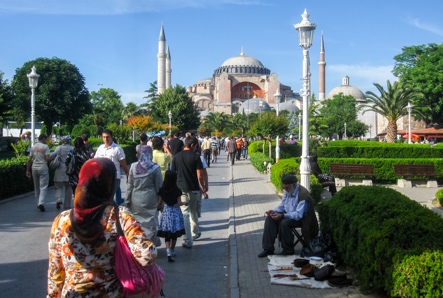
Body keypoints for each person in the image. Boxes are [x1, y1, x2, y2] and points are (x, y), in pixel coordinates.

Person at [47, 158, 157, 297]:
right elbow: (147, 256)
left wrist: (53, 295)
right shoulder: (119, 216)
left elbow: (55, 271)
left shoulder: (61, 221)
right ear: (108, 184)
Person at [258, 174, 319, 257]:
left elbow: (298, 215)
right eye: (284, 188)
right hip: (289, 214)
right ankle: (268, 249)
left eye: (287, 188)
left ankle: (288, 249)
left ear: (294, 185)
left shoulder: (303, 195)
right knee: (270, 219)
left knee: (284, 223)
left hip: (302, 219)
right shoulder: (288, 191)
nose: (285, 190)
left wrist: (283, 216)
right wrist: (273, 211)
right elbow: (282, 206)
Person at [171, 136, 208, 248]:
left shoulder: (176, 157)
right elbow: (200, 175)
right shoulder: (196, 157)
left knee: (184, 214)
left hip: (180, 188)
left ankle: (188, 239)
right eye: (196, 146)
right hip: (194, 189)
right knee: (194, 212)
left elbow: (173, 173)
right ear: (192, 145)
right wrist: (203, 187)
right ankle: (194, 233)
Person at [126, 146, 163, 247]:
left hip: (136, 199)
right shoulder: (155, 168)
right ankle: (150, 246)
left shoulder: (133, 167)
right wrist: (161, 201)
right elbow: (159, 187)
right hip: (150, 199)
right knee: (151, 223)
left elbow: (130, 185)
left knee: (138, 223)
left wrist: (127, 200)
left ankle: (140, 246)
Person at [157, 170, 188, 262]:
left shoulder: (162, 190)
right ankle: (172, 250)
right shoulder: (177, 190)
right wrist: (185, 202)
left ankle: (168, 251)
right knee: (174, 234)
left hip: (166, 213)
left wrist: (158, 208)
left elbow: (159, 203)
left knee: (167, 234)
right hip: (175, 213)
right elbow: (179, 203)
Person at [94, 129, 130, 205]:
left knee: (110, 198)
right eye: (104, 137)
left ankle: (113, 213)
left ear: (112, 137)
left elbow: (124, 164)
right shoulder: (100, 148)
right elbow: (95, 162)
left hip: (114, 177)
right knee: (103, 198)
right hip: (102, 177)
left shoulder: (117, 149)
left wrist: (128, 175)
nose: (106, 139)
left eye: (108, 137)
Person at [26, 134, 55, 212]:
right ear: (43, 138)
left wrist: (27, 170)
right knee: (43, 186)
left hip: (34, 168)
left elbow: (29, 160)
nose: (46, 141)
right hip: (43, 168)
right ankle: (41, 203)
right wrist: (53, 158)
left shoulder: (33, 147)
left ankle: (38, 203)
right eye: (45, 139)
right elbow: (47, 158)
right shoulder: (45, 147)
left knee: (36, 187)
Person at [52, 136, 75, 210]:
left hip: (59, 170)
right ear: (69, 141)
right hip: (69, 171)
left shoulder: (58, 148)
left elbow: (52, 156)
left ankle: (58, 200)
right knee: (69, 188)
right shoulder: (72, 148)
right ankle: (67, 205)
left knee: (58, 187)